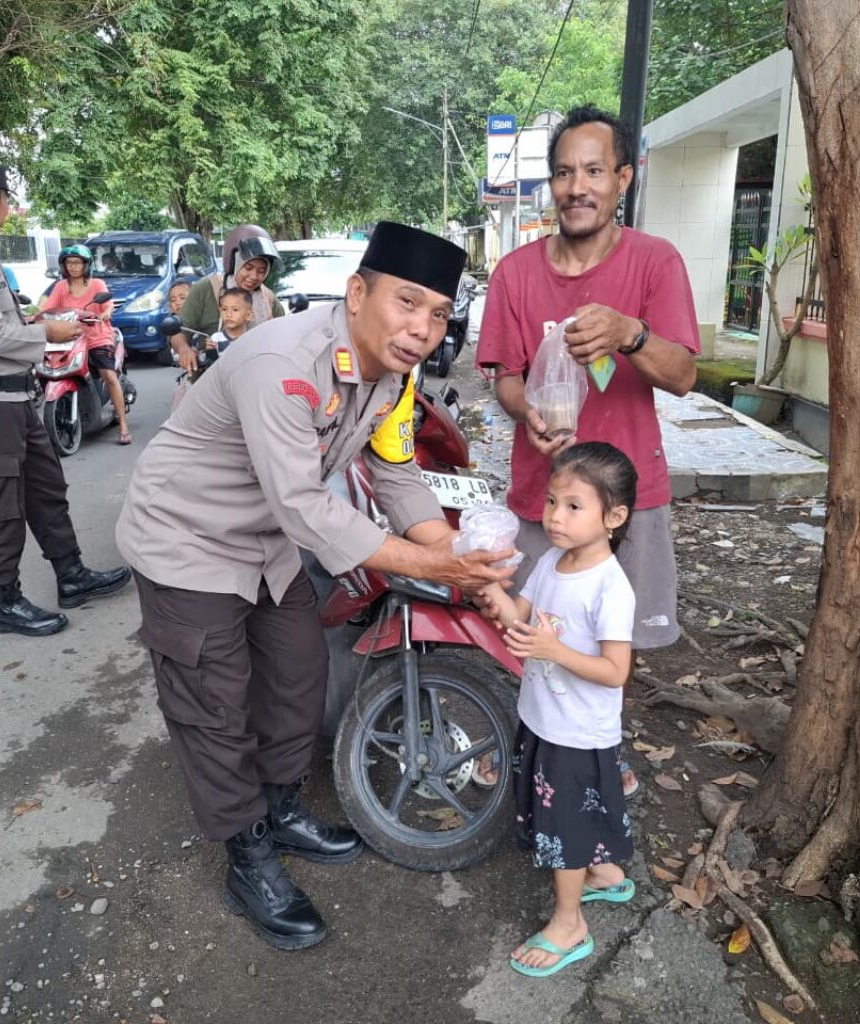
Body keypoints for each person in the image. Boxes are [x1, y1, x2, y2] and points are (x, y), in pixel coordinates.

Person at [116, 221, 517, 951]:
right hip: (186, 540)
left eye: (438, 314)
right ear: (358, 293)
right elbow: (304, 504)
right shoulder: (284, 362)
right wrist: (435, 567)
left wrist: (459, 555)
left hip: (264, 541)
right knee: (216, 706)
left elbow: (394, 472)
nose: (422, 329)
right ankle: (247, 856)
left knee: (298, 676)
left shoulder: (394, 374)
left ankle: (279, 808)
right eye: (407, 303)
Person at [476, 104, 701, 795]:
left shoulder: (656, 262)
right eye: (565, 173)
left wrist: (631, 334)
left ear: (622, 179)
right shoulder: (515, 274)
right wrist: (527, 412)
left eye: (595, 171)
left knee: (613, 638)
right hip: (542, 495)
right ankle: (525, 743)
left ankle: (603, 751)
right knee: (528, 625)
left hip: (627, 502)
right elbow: (505, 377)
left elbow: (683, 375)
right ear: (551, 183)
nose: (578, 187)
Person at [0, 157, 131, 637]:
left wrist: (34, 323)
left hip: (12, 399)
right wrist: (47, 333)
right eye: (6, 201)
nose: (7, 210)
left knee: (45, 489)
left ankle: (71, 575)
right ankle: (6, 604)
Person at [479, 442, 638, 977]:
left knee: (564, 826)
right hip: (543, 719)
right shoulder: (551, 561)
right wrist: (489, 586)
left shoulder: (610, 588)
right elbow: (520, 620)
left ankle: (569, 925)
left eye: (573, 506)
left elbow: (616, 671)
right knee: (575, 814)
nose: (554, 516)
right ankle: (603, 873)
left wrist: (555, 651)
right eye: (551, 502)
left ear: (614, 517)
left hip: (577, 733)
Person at [42, 244, 132, 445]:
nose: (73, 266)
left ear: (86, 265)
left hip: (96, 337)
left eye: (77, 263)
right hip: (69, 337)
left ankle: (123, 425)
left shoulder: (97, 284)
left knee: (109, 375)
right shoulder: (61, 286)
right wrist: (34, 317)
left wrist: (105, 313)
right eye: (69, 263)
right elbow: (47, 308)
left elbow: (108, 304)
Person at [171, 224, 283, 373]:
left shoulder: (268, 299)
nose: (254, 276)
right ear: (234, 262)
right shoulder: (206, 289)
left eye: (261, 271)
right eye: (248, 268)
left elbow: (284, 335)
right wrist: (184, 350)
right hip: (211, 375)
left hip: (257, 375)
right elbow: (178, 330)